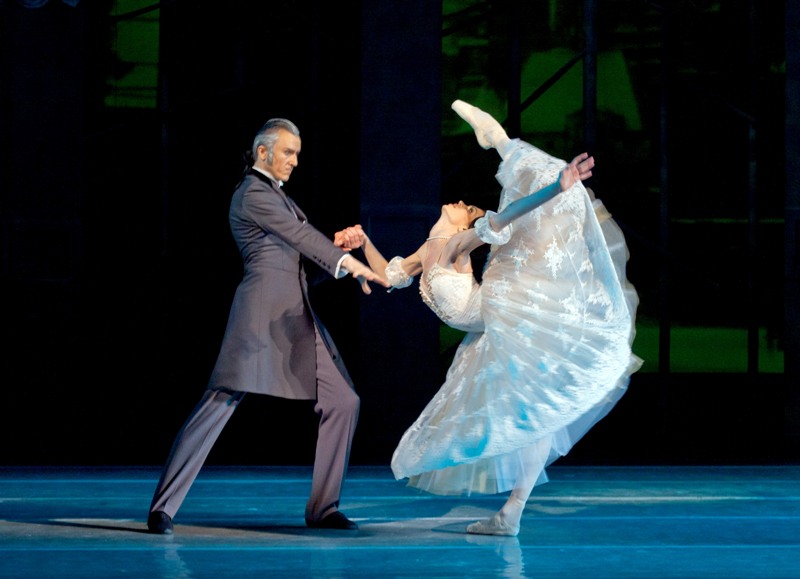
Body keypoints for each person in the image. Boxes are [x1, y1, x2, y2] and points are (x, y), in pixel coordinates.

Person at [350, 100, 640, 537]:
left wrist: (556, 189)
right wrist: (363, 242)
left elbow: (507, 215)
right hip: (488, 324)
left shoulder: (455, 244)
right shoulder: (427, 251)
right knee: (527, 411)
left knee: (538, 216)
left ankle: (504, 143)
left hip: (504, 308)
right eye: (464, 205)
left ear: (462, 224)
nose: (461, 202)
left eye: (466, 207)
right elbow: (388, 277)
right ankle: (511, 513)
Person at [146, 118, 388, 535]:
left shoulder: (280, 198)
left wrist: (335, 251)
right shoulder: (252, 194)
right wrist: (347, 262)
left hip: (296, 318)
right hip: (260, 315)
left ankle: (323, 507)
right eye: (288, 152)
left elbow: (298, 264)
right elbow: (298, 237)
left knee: (344, 401)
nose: (295, 161)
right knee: (219, 402)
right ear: (263, 152)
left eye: (298, 154)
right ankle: (162, 507)